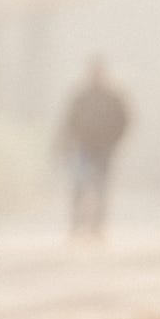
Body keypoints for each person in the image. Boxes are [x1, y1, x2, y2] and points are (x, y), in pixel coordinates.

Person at [56, 56, 131, 239]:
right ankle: (76, 225)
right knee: (80, 185)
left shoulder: (113, 97)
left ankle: (98, 227)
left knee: (101, 187)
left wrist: (115, 140)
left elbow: (124, 120)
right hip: (83, 148)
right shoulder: (81, 96)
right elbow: (69, 120)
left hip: (105, 148)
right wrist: (67, 143)